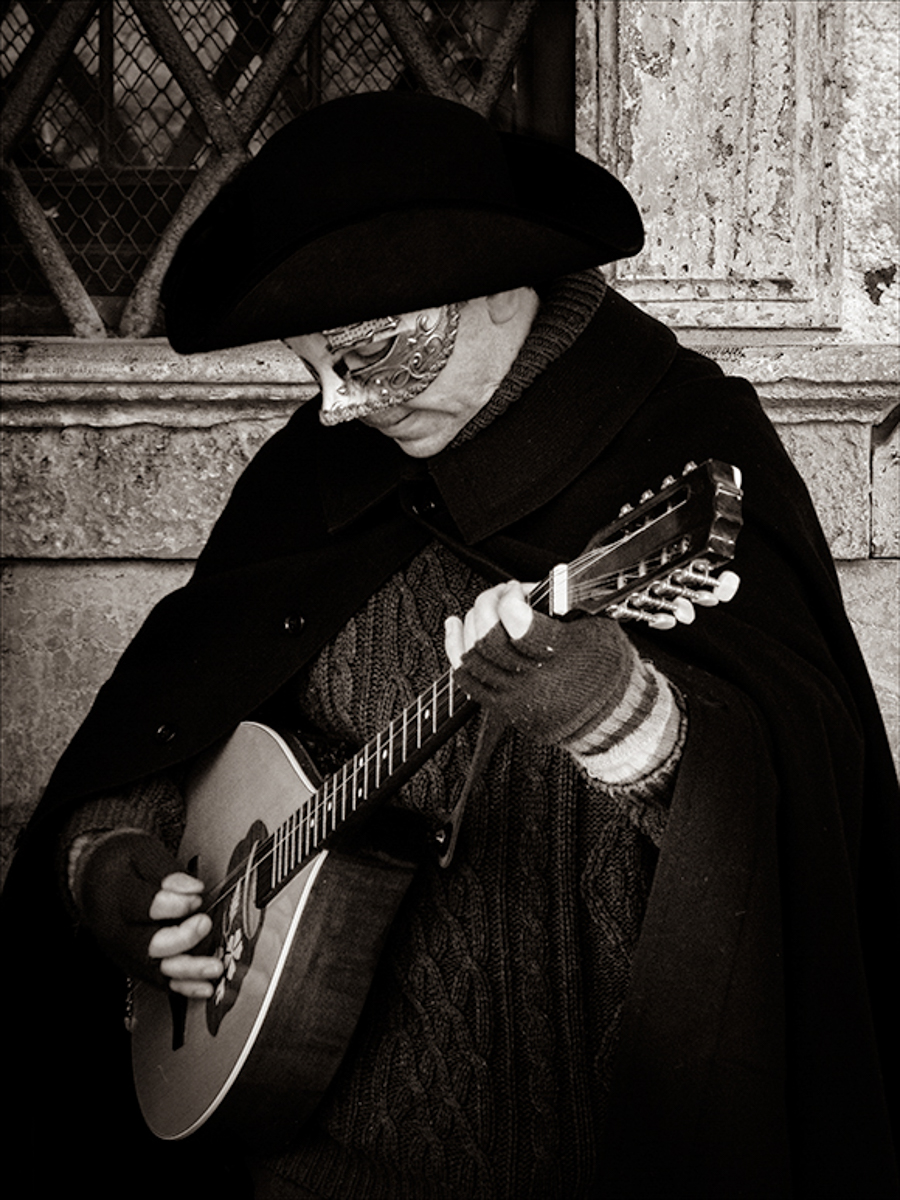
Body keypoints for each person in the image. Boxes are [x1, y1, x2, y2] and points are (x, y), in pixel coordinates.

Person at [3, 91, 898, 1200]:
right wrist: (114, 857)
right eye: (310, 364)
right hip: (306, 1159)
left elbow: (803, 808)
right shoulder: (314, 477)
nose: (333, 406)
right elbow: (177, 715)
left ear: (492, 284)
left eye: (367, 354)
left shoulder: (682, 445)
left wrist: (624, 724)